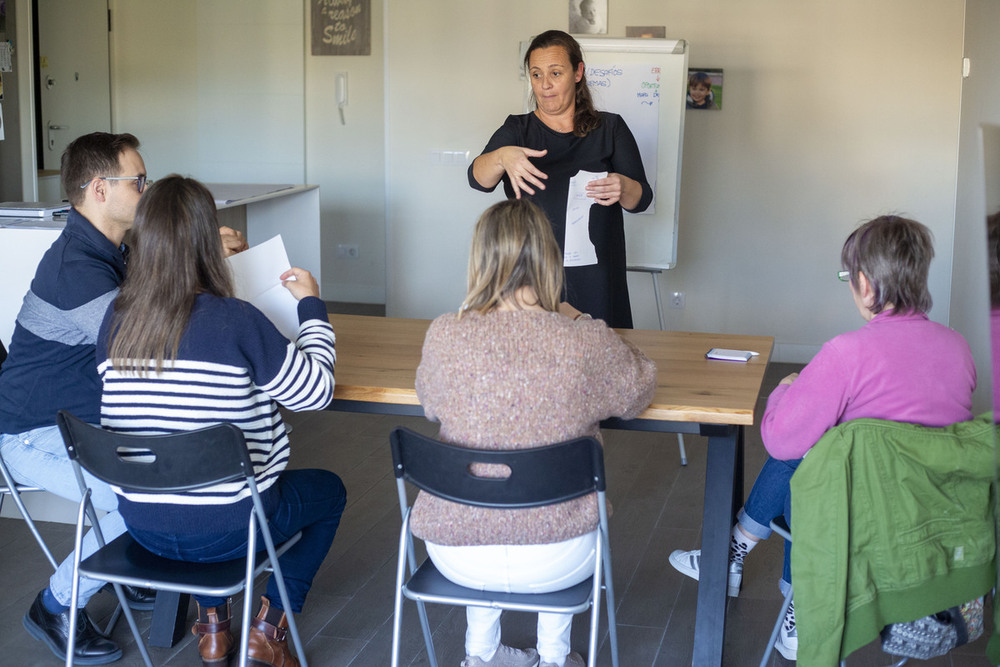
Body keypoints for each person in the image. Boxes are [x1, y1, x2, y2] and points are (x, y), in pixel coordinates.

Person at [668, 215, 976, 661]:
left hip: (854, 528)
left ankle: (791, 598)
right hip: (932, 524)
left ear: (866, 285)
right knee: (823, 447)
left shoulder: (845, 354)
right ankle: (738, 555)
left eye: (849, 277)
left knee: (803, 459)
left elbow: (778, 440)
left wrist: (786, 390)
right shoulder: (958, 348)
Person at [0, 131, 244, 664]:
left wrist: (195, 254)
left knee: (158, 484)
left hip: (89, 426)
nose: (148, 189)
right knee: (134, 498)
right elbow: (152, 343)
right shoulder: (77, 271)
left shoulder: (117, 250)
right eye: (138, 181)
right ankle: (55, 605)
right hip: (34, 432)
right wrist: (200, 261)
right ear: (97, 190)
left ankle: (130, 567)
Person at [95, 175, 344, 667]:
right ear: (208, 240)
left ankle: (213, 629)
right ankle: (271, 627)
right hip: (232, 526)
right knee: (329, 492)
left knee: (200, 472)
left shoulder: (115, 319)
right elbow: (316, 392)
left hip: (143, 524)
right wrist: (312, 306)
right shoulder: (235, 319)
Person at [412, 199, 658, 667]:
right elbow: (638, 389)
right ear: (550, 259)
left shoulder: (445, 333)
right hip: (558, 554)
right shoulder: (580, 342)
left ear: (480, 258)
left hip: (455, 549)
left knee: (483, 487)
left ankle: (480, 655)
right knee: (551, 493)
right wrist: (582, 320)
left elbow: (431, 404)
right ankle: (554, 656)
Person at [469, 29, 652, 329]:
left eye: (555, 73)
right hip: (533, 278)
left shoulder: (610, 128)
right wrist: (502, 157)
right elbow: (478, 178)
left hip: (597, 276)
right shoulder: (518, 130)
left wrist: (623, 186)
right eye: (536, 74)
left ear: (578, 72)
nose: (545, 85)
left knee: (604, 360)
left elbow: (641, 199)